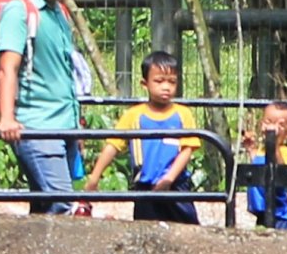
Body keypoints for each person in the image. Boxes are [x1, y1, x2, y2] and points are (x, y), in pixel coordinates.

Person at [0, 0, 92, 215]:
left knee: (44, 208)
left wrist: (76, 125)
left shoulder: (59, 11)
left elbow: (64, 73)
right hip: (37, 126)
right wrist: (7, 117)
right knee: (63, 205)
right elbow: (8, 67)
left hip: (63, 124)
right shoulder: (19, 10)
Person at [87, 50, 203, 224]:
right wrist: (94, 177)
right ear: (144, 83)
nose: (166, 87)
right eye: (159, 81)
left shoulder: (183, 114)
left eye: (172, 82)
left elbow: (187, 149)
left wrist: (168, 179)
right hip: (145, 187)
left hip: (177, 187)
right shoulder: (133, 115)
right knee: (146, 231)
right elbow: (113, 145)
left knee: (188, 230)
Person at [238, 100, 287, 231]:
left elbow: (282, 171)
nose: (272, 127)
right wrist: (250, 148)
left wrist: (274, 142)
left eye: (280, 125)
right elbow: (258, 164)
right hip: (261, 212)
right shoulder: (261, 150)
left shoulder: (284, 151)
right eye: (268, 122)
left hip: (279, 215)